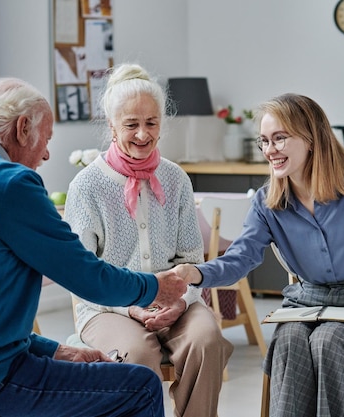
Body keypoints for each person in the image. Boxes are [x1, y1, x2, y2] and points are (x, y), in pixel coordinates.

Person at [0, 78, 188, 416]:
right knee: (141, 387)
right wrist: (156, 287)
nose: (47, 153)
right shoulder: (9, 183)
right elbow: (86, 275)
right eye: (46, 139)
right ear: (22, 129)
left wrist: (54, 350)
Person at [174, 93, 344, 417]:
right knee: (289, 341)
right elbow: (241, 257)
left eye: (280, 139)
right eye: (264, 141)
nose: (270, 150)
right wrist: (195, 273)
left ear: (311, 138)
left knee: (329, 342)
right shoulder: (268, 203)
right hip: (306, 306)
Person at [64, 63, 233, 417]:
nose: (143, 134)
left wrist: (182, 301)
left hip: (174, 301)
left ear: (161, 123)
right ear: (112, 127)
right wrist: (131, 306)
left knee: (208, 341)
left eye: (151, 123)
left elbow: (191, 259)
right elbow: (80, 275)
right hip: (107, 307)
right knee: (137, 356)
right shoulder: (87, 186)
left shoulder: (176, 179)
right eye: (131, 124)